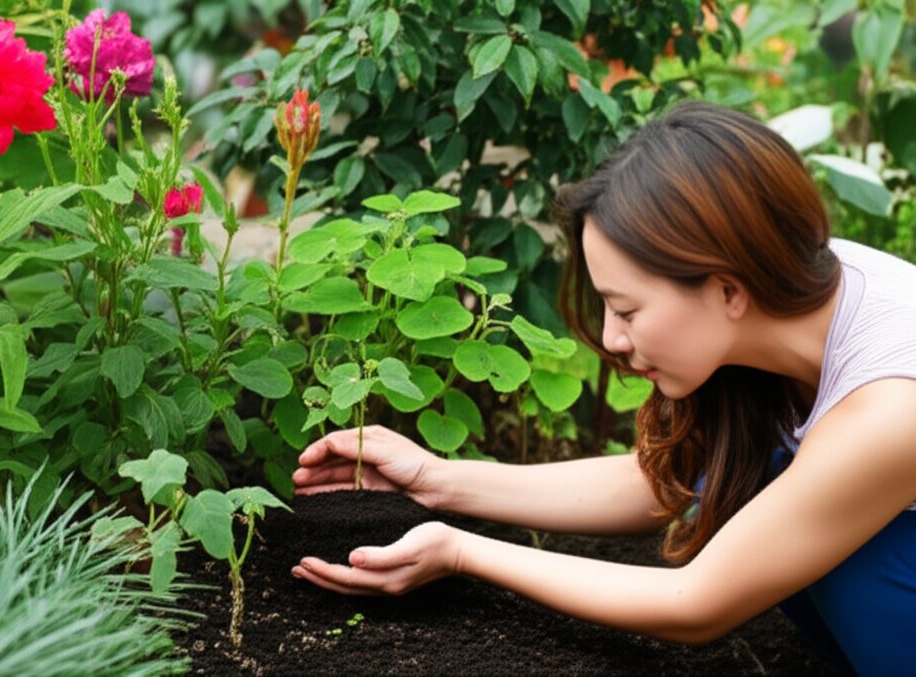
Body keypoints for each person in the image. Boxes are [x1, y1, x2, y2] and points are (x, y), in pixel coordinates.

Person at [290, 102, 916, 676]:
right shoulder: (789, 283)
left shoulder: (892, 401)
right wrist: (437, 481)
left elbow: (697, 602)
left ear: (727, 289)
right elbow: (665, 479)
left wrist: (460, 552)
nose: (612, 339)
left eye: (627, 309)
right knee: (757, 475)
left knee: (820, 534)